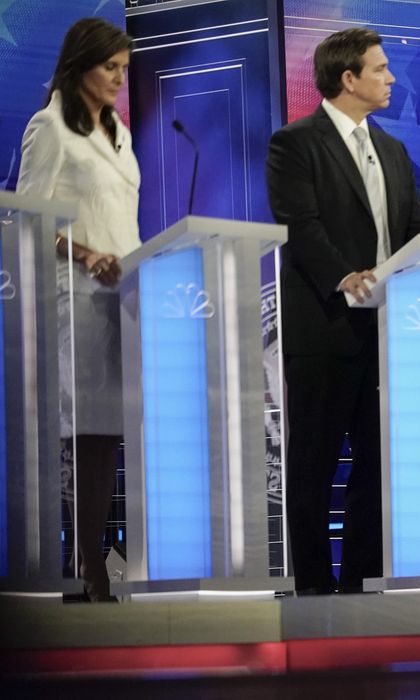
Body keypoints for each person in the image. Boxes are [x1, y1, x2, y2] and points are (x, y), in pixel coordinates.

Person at [266, 27, 420, 594]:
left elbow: (414, 228)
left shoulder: (392, 148)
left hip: (390, 331)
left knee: (378, 463)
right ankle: (312, 585)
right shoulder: (295, 142)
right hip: (326, 326)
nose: (391, 78)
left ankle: (362, 579)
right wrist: (345, 277)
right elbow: (302, 227)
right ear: (348, 78)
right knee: (315, 463)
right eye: (381, 69)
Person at [16, 18, 138, 602]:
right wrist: (86, 253)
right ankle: (89, 564)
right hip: (80, 298)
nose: (119, 79)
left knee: (111, 434)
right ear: (79, 65)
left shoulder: (119, 131)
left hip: (129, 296)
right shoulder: (49, 129)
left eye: (123, 70)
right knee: (86, 433)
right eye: (109, 68)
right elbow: (28, 221)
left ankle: (91, 558)